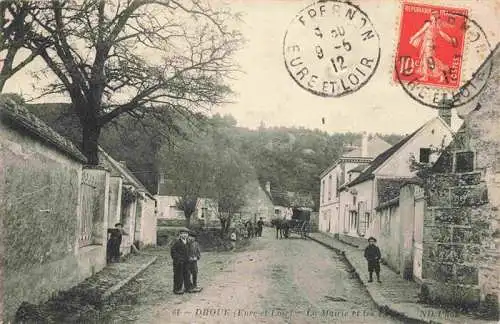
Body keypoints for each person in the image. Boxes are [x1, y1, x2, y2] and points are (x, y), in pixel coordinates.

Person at [170, 228, 191, 294]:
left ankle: (188, 288)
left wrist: (189, 258)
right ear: (180, 234)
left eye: (186, 234)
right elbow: (173, 252)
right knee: (178, 275)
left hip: (186, 262)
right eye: (183, 234)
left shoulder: (187, 242)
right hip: (178, 263)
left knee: (187, 274)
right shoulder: (176, 242)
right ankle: (177, 289)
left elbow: (188, 251)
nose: (184, 235)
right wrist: (178, 259)